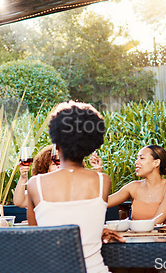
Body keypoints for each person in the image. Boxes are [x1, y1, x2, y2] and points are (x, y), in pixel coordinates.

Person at [27, 101, 116, 273]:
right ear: (90, 146)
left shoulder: (35, 184)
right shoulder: (103, 182)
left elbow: (36, 237)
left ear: (56, 144)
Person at [107, 145, 166, 225]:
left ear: (156, 163)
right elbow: (103, 202)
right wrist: (98, 172)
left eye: (142, 158)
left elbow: (157, 221)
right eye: (137, 158)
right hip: (135, 236)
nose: (136, 162)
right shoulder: (133, 187)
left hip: (161, 236)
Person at [13, 146, 104, 208]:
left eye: (63, 162)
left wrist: (98, 171)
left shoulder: (76, 187)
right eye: (54, 164)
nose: (59, 166)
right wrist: (23, 177)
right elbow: (19, 202)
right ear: (45, 168)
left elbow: (97, 198)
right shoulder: (42, 189)